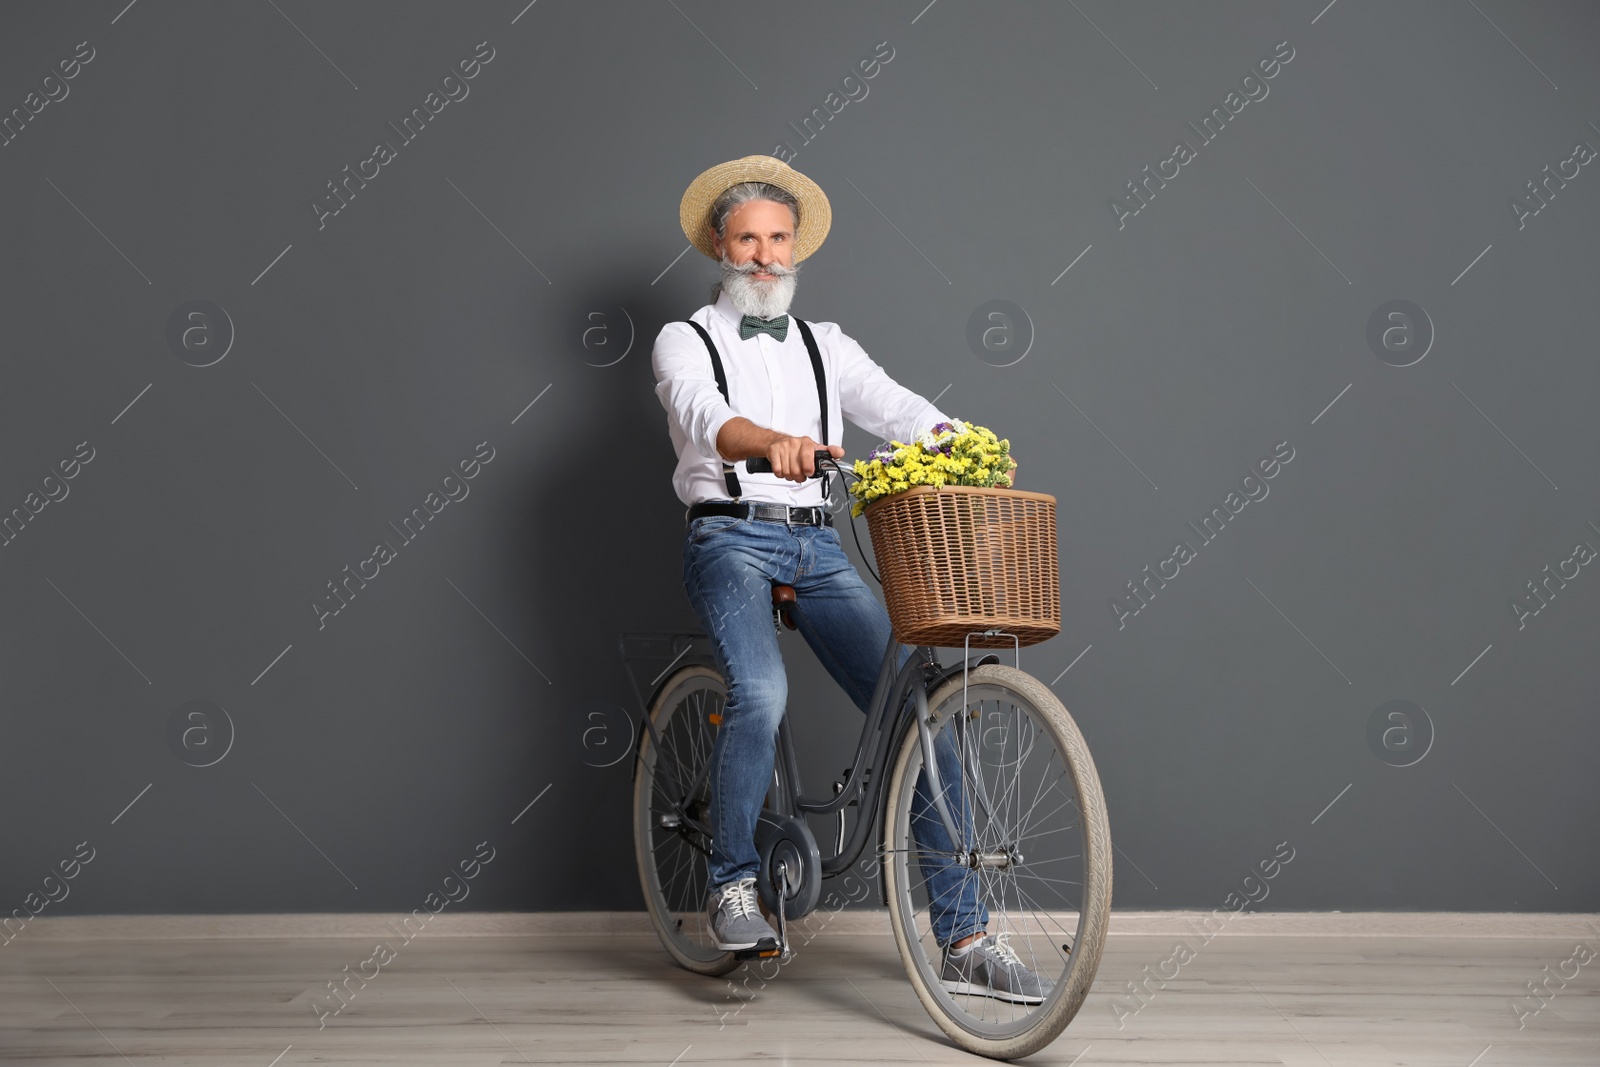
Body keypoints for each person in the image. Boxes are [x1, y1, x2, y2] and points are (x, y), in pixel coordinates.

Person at [650, 155, 1047, 1004]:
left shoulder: (826, 347)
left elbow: (892, 401)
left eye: (779, 239)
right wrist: (767, 443)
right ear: (720, 246)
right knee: (758, 693)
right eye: (748, 238)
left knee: (920, 718)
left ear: (797, 249)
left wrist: (953, 436)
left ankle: (966, 935)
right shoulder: (687, 338)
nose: (764, 256)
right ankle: (729, 882)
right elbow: (702, 415)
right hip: (729, 538)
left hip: (819, 548)